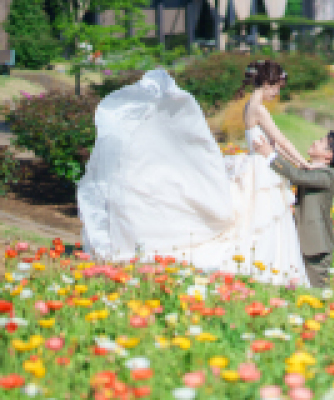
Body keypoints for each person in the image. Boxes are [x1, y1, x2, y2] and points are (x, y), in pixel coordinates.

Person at [76, 61, 316, 288]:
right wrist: (303, 163)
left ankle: (269, 267)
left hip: (254, 165)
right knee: (261, 221)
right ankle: (268, 267)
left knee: (253, 220)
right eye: (276, 88)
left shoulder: (248, 107)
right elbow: (282, 141)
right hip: (261, 169)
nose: (276, 94)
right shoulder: (259, 109)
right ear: (267, 85)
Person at [252, 131, 334, 288]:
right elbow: (297, 167)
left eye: (320, 141)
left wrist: (271, 156)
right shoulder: (314, 170)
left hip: (315, 247)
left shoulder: (328, 176)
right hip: (301, 240)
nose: (314, 142)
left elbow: (296, 176)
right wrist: (275, 149)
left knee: (317, 290)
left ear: (328, 155)